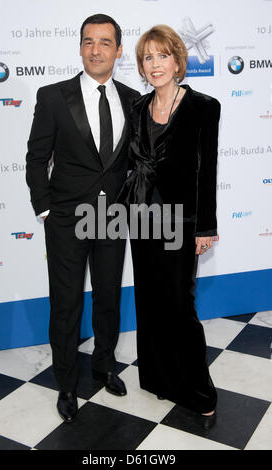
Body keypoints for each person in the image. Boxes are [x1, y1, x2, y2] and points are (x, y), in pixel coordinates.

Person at [26, 14, 140, 423]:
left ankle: (105, 365)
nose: (96, 50)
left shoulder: (133, 99)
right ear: (79, 48)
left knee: (108, 296)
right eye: (89, 42)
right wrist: (45, 209)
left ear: (118, 50)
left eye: (105, 43)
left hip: (113, 218)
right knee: (67, 302)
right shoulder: (53, 96)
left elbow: (137, 163)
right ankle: (67, 383)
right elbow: (37, 158)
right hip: (66, 220)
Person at [118, 25, 221, 429]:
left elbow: (206, 170)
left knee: (180, 306)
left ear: (178, 61)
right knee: (151, 301)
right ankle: (161, 379)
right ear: (142, 67)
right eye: (148, 58)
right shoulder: (138, 108)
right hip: (143, 220)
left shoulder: (202, 106)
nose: (155, 64)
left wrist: (205, 227)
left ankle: (199, 391)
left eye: (163, 56)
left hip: (182, 223)